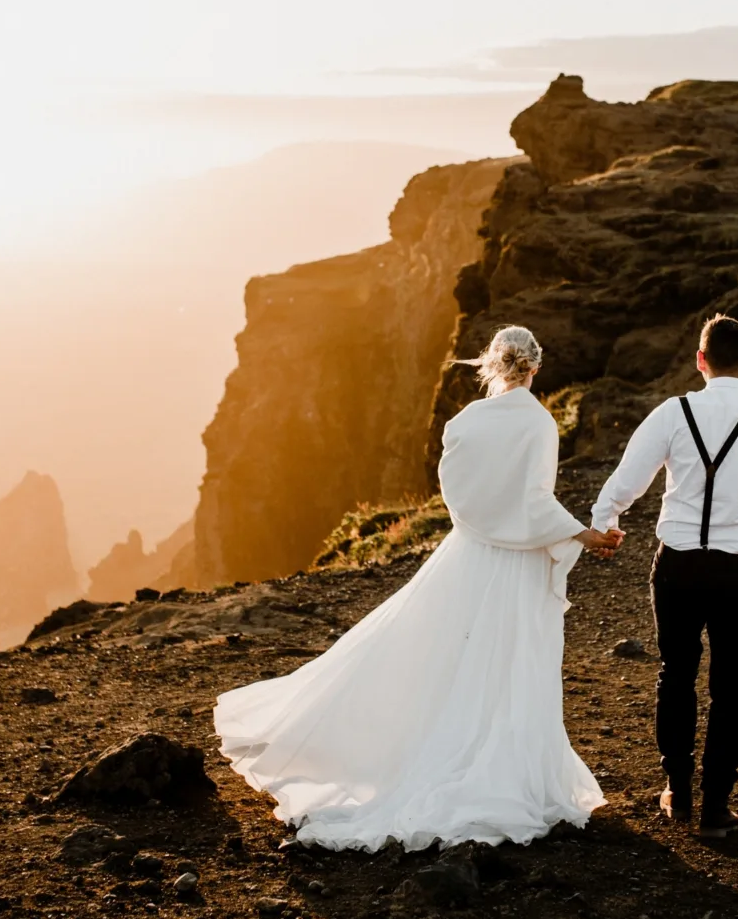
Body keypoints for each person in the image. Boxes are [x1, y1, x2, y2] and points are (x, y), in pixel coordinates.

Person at [212, 325, 622, 851]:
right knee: (507, 662)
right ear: (535, 368)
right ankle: (499, 768)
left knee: (442, 656)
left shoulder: (467, 421)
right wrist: (585, 535)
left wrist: (483, 525)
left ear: (491, 364)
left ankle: (414, 752)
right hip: (513, 567)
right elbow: (536, 501)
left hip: (467, 554)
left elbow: (456, 492)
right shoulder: (538, 424)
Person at [592, 314, 738, 837]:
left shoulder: (673, 412)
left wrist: (605, 524)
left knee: (676, 675)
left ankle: (678, 790)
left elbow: (628, 478)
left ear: (700, 359)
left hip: (680, 566)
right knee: (732, 689)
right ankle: (716, 808)